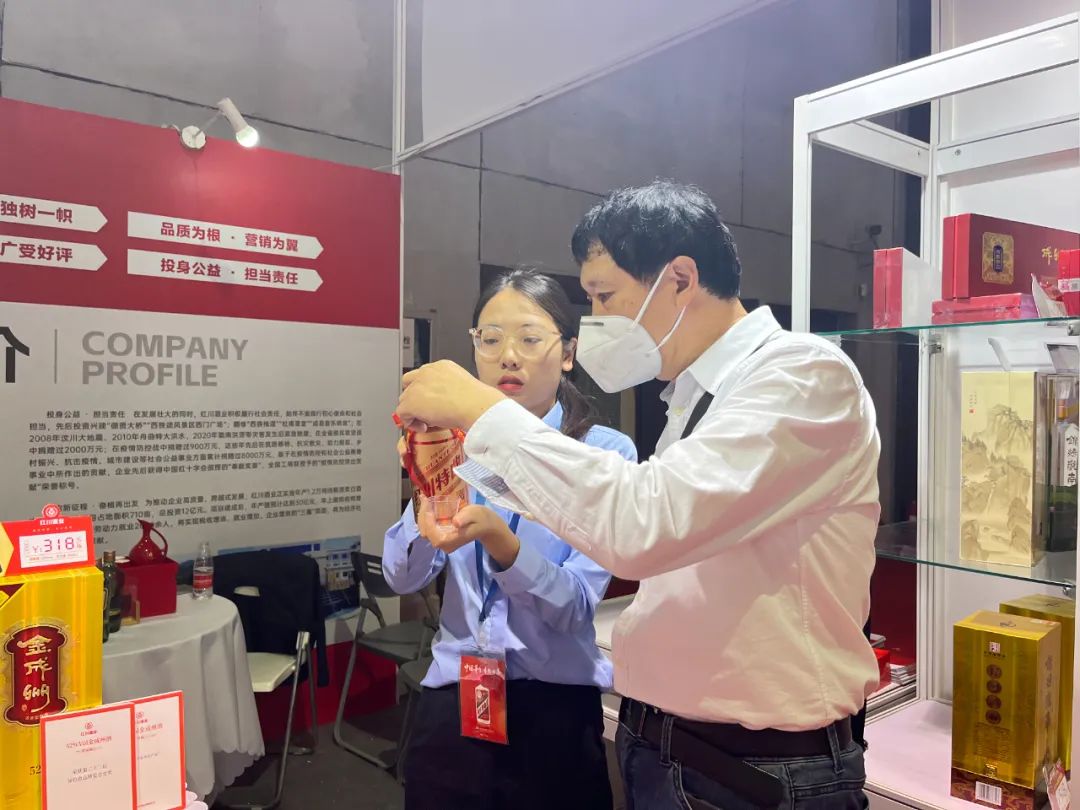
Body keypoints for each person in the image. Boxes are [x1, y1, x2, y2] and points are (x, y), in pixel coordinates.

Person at [394, 181, 881, 809]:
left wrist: (482, 412)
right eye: (489, 338)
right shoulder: (696, 397)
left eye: (604, 296)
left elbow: (642, 524)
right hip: (679, 748)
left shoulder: (800, 373)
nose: (597, 318)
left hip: (750, 764)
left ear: (679, 279)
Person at [383, 268, 637, 810]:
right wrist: (427, 492)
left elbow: (575, 608)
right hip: (453, 701)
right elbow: (401, 577)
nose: (509, 357)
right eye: (491, 339)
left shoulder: (603, 454)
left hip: (554, 713)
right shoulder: (455, 442)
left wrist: (505, 547)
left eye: (529, 338)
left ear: (568, 353)